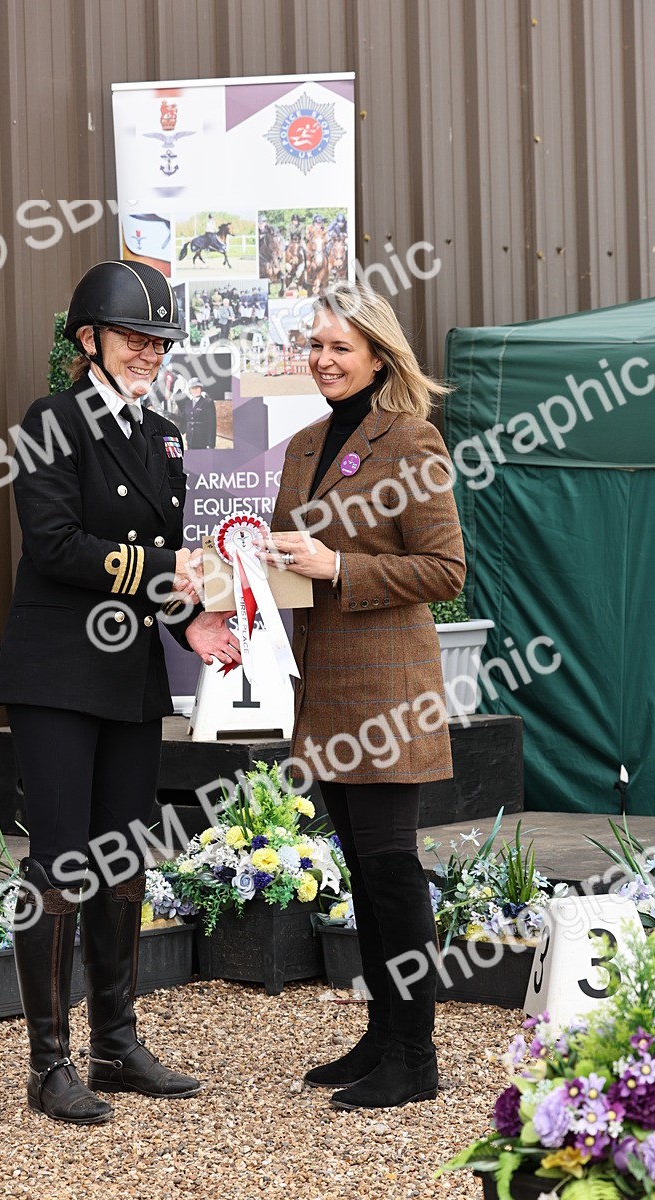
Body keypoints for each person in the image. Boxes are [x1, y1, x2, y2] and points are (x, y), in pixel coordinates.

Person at [0, 260, 240, 1125]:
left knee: (124, 862)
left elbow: (157, 570)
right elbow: (55, 545)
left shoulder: (165, 436)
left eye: (159, 342)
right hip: (57, 674)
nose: (149, 353)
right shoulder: (50, 421)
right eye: (136, 338)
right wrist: (168, 571)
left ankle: (116, 1044)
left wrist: (191, 626)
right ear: (88, 339)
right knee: (61, 865)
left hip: (130, 677)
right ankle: (49, 1065)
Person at [263, 281, 466, 1112]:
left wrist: (339, 566)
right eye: (314, 346)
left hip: (388, 693)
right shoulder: (305, 444)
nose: (323, 360)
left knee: (390, 871)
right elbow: (286, 561)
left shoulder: (412, 441)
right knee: (362, 867)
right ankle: (384, 1034)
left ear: (379, 356)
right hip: (325, 690)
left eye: (340, 347)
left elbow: (447, 571)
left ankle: (416, 1057)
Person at [185, 377, 217, 449]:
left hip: (202, 441)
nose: (195, 390)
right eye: (193, 388)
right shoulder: (188, 403)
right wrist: (169, 415)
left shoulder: (208, 402)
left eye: (197, 388)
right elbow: (184, 419)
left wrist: (211, 444)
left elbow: (212, 424)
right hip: (190, 440)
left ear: (201, 388)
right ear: (190, 390)